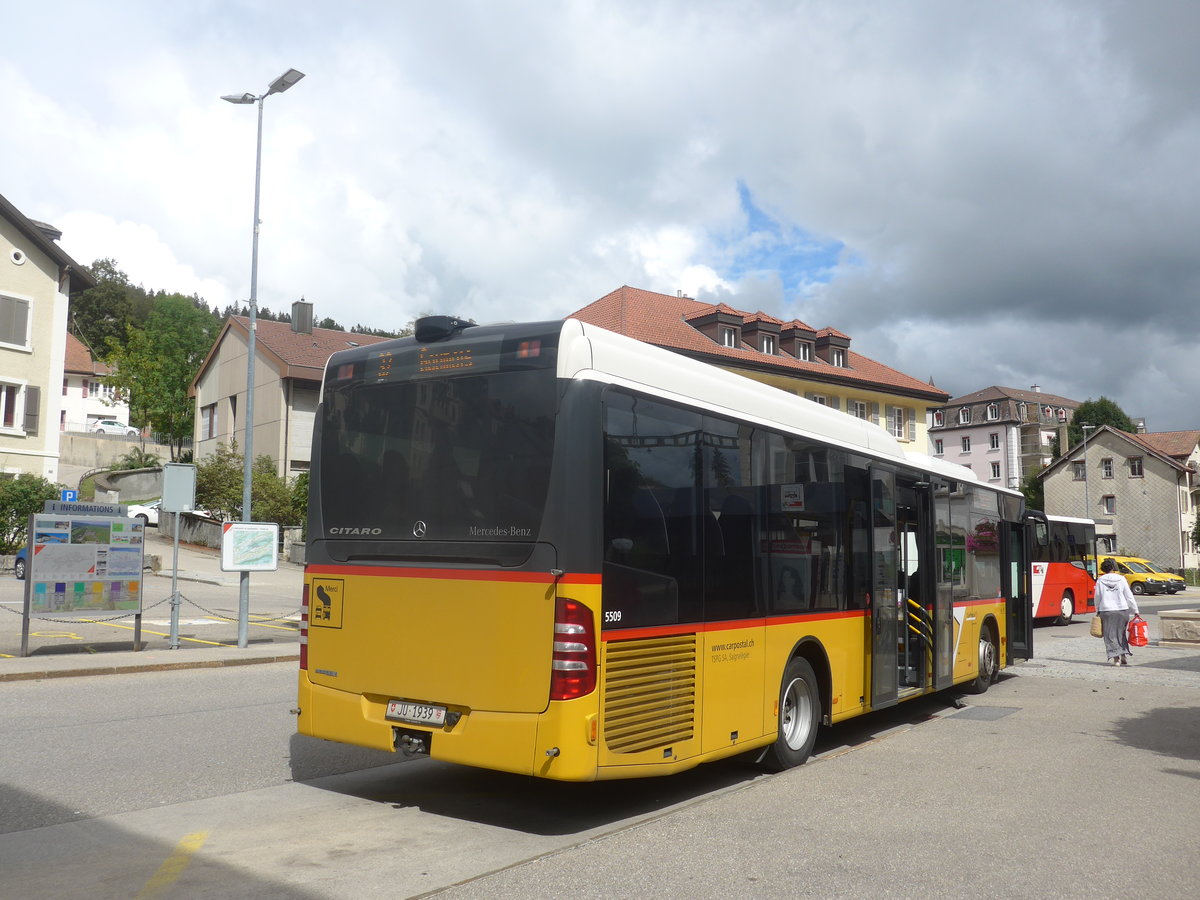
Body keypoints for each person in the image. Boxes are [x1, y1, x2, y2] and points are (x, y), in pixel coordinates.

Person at [1094, 557, 1139, 666]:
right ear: (1113, 567)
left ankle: (1116, 659)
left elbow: (1098, 596)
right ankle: (1123, 655)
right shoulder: (1121, 579)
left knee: (1110, 635)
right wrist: (1135, 610)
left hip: (1107, 610)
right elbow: (1129, 596)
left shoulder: (1100, 580)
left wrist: (1097, 609)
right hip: (1122, 609)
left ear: (1103, 568)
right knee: (1121, 633)